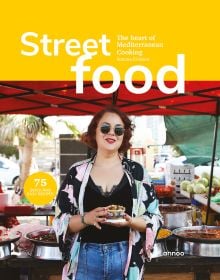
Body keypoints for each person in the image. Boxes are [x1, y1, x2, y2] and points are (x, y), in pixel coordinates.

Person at [53, 105, 163, 280]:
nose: (111, 133)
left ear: (124, 136)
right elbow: (60, 220)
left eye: (118, 130)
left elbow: (155, 218)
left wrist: (130, 221)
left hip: (126, 257)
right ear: (94, 132)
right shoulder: (77, 173)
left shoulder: (137, 173)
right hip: (85, 258)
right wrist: (85, 219)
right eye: (105, 128)